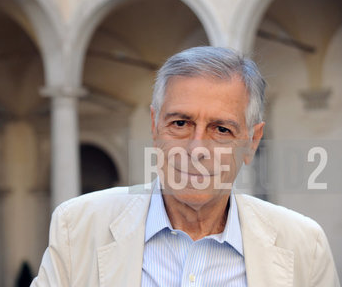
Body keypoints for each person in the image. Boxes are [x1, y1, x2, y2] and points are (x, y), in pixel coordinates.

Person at [31, 46, 340, 287]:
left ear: (251, 142)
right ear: (155, 126)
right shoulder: (78, 227)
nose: (196, 150)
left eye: (221, 130)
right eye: (180, 123)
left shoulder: (304, 245)